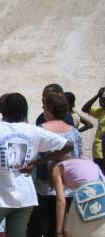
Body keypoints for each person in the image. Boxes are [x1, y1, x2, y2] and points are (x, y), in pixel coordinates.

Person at [0, 93, 74, 237]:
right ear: (24, 110)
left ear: (4, 110)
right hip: (25, 196)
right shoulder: (34, 131)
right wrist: (36, 162)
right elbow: (68, 146)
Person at [28, 92, 84, 237]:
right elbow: (77, 158)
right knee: (56, 228)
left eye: (44, 106)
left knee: (36, 228)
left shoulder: (39, 130)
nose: (42, 108)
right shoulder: (75, 133)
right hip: (67, 191)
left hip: (43, 188)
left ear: (50, 108)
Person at [49, 158, 105, 236]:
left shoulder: (56, 168)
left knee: (70, 231)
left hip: (87, 196)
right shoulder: (85, 161)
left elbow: (61, 201)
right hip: (102, 193)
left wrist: (59, 232)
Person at [82, 87, 105, 173]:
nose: (101, 102)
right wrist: (97, 95)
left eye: (103, 100)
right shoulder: (101, 111)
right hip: (98, 150)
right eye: (101, 99)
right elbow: (85, 109)